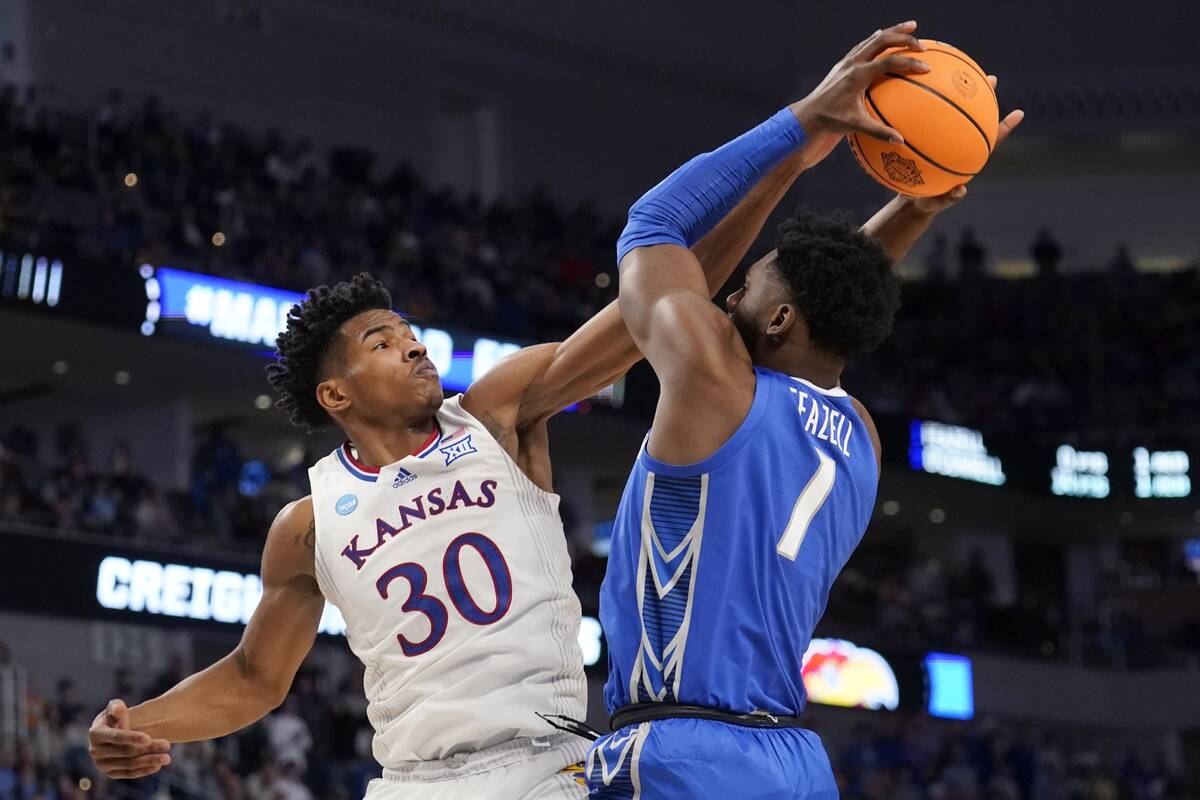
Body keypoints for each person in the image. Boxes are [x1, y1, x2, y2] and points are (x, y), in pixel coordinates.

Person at [83, 113, 849, 796]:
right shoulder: (307, 526)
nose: (412, 343)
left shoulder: (497, 414)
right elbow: (254, 678)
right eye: (380, 343)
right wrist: (139, 722)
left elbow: (655, 307)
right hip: (413, 781)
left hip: (550, 767)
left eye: (409, 331)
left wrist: (785, 165)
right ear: (337, 397)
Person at [585, 21, 1024, 798]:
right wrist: (920, 199)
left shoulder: (713, 380)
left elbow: (653, 224)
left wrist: (808, 120)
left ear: (780, 322)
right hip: (795, 764)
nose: (724, 296)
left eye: (745, 287)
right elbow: (835, 293)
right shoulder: (860, 435)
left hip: (684, 754)